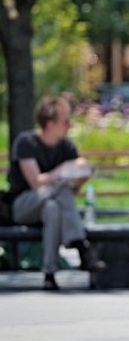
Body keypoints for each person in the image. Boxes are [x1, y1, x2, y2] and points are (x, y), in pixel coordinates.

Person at [7, 96, 105, 291]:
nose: (69, 126)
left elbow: (73, 189)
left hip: (48, 205)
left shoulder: (66, 147)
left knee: (53, 209)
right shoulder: (26, 142)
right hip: (23, 205)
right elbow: (36, 183)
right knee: (59, 189)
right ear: (50, 124)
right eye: (66, 121)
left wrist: (82, 175)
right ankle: (79, 245)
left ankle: (49, 273)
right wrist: (61, 171)